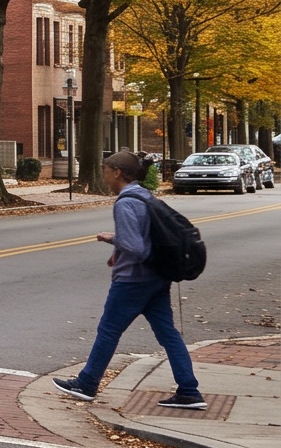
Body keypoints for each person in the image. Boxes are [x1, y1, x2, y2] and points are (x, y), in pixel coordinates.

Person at [53, 151, 207, 409]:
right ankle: (189, 390)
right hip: (157, 278)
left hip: (133, 281)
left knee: (108, 331)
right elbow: (144, 238)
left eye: (105, 170)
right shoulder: (145, 195)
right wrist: (118, 245)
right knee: (168, 334)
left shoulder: (125, 203)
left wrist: (113, 239)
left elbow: (135, 246)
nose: (104, 176)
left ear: (117, 172)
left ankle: (87, 383)